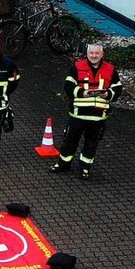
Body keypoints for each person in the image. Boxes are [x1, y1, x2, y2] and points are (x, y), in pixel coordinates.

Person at [49, 43, 122, 181]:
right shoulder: (77, 67)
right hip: (78, 115)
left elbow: (117, 88)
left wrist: (108, 94)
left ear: (102, 54)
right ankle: (63, 164)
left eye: (97, 53)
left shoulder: (111, 70)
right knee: (70, 141)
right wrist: (82, 93)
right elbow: (68, 86)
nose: (94, 56)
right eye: (91, 53)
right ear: (87, 54)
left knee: (91, 143)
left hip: (98, 117)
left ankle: (85, 168)